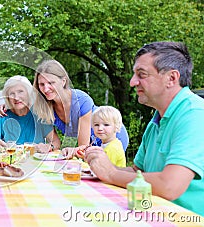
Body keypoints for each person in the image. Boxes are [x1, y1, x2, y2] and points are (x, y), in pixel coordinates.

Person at [85, 41, 204, 216]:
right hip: (153, 214)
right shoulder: (157, 119)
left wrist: (110, 174)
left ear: (171, 78)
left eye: (141, 74)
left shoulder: (195, 114)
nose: (133, 82)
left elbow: (170, 185)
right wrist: (98, 166)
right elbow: (138, 172)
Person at [0, 60, 129, 152]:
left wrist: (69, 151)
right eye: (41, 84)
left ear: (63, 81)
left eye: (51, 82)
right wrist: (8, 104)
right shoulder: (46, 106)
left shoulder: (81, 100)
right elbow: (23, 104)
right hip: (88, 149)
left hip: (111, 139)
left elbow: (83, 147)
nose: (46, 88)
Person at [0, 75, 61, 151]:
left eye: (20, 92)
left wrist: (50, 147)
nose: (16, 97)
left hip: (36, 160)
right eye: (12, 93)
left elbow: (56, 142)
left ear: (29, 94)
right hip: (10, 161)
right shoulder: (2, 115)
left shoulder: (39, 114)